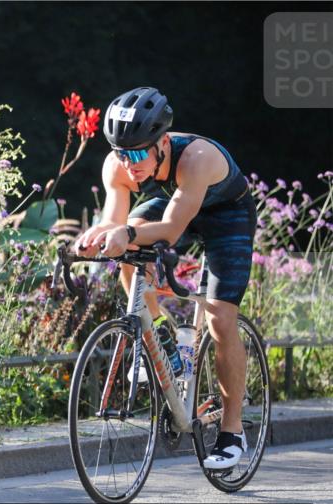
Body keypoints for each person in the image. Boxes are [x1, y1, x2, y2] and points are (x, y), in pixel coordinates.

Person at [73, 86, 256, 470]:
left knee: (220, 319)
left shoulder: (198, 158)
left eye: (139, 153)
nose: (130, 163)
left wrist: (127, 233)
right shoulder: (118, 166)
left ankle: (232, 430)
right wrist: (96, 238)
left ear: (163, 143)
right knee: (125, 246)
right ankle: (161, 334)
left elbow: (171, 229)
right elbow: (114, 219)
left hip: (225, 214)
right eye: (122, 154)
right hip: (177, 200)